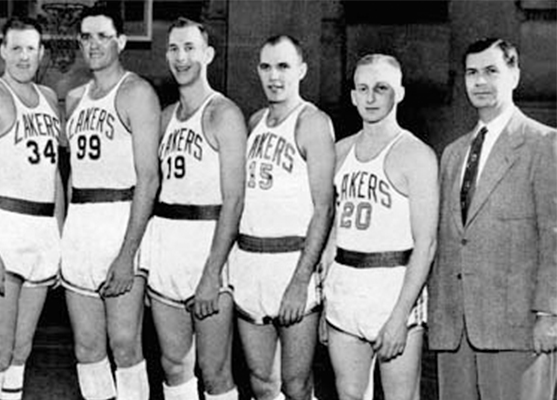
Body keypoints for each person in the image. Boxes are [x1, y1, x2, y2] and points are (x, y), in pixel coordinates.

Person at [429, 37, 557, 400]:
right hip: (456, 328)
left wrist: (550, 314)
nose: (480, 81)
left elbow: (554, 235)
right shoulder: (453, 154)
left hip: (518, 326)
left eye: (491, 71)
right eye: (472, 73)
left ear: (514, 76)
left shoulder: (544, 144)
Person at [142, 17, 246, 400]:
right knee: (174, 365)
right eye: (174, 48)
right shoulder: (165, 118)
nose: (181, 57)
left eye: (189, 48)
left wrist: (212, 273)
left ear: (209, 54)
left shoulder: (224, 114)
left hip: (208, 247)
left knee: (215, 371)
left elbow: (235, 200)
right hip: (168, 245)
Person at [60, 6, 161, 400]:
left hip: (121, 222)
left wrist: (127, 254)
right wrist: (66, 236)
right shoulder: (74, 98)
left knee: (124, 344)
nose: (94, 44)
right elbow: (72, 176)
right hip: (81, 228)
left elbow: (149, 179)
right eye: (86, 36)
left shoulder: (137, 93)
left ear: (121, 41)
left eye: (103, 36)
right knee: (87, 347)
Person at [322, 54, 436, 400]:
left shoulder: (416, 154)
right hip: (346, 286)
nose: (370, 98)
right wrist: (326, 298)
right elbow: (332, 233)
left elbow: (426, 243)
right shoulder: (339, 152)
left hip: (393, 287)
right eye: (363, 88)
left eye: (381, 88)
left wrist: (401, 314)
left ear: (399, 93)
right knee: (349, 395)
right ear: (353, 95)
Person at [0, 16, 65, 400]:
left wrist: (58, 237)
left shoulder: (49, 98)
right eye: (17, 48)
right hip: (4, 226)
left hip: (42, 229)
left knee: (21, 350)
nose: (24, 56)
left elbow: (54, 176)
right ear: (3, 50)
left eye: (31, 49)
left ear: (42, 53)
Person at [229, 35, 335, 400]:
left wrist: (300, 280)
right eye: (267, 66)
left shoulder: (312, 122)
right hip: (250, 262)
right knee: (261, 380)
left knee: (296, 385)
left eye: (284, 66)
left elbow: (324, 207)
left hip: (291, 262)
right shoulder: (255, 122)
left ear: (301, 70)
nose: (274, 76)